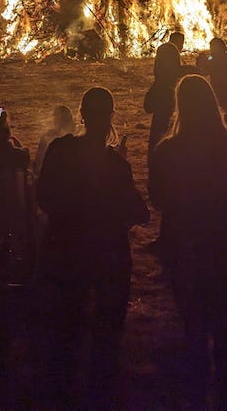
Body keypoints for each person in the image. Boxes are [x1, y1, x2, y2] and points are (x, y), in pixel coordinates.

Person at [36, 87, 149, 409]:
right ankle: (101, 386)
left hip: (65, 249)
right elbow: (137, 210)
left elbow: (43, 197)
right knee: (106, 325)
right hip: (105, 252)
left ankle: (61, 387)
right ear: (109, 117)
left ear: (82, 115)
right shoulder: (114, 163)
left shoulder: (60, 150)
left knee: (66, 324)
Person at [149, 75, 227, 411]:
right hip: (224, 238)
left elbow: (158, 197)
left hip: (184, 240)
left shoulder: (168, 149)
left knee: (192, 318)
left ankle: (196, 385)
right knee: (224, 316)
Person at [198, 37, 227, 129]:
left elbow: (205, 70)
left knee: (226, 118)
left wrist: (203, 60)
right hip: (223, 90)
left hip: (224, 90)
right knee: (225, 118)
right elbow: (205, 71)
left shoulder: (224, 58)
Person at [33, 104, 76, 178]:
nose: (55, 120)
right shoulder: (47, 136)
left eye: (59, 118)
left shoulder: (76, 136)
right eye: (55, 117)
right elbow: (38, 162)